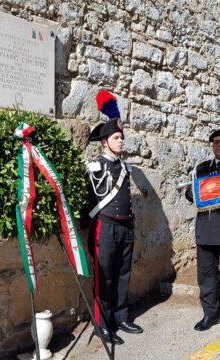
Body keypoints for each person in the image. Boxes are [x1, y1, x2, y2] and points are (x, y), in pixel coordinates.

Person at [86, 90, 143, 345]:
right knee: (104, 276)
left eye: (121, 137)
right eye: (116, 137)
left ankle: (120, 317)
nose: (121, 141)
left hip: (125, 227)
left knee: (122, 274)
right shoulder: (96, 167)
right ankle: (102, 323)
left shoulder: (126, 168)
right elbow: (91, 201)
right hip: (105, 227)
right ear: (104, 141)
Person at [185, 127, 220, 331]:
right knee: (206, 275)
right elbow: (190, 191)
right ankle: (210, 313)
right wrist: (194, 194)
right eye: (216, 141)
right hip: (207, 229)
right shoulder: (201, 168)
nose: (219, 144)